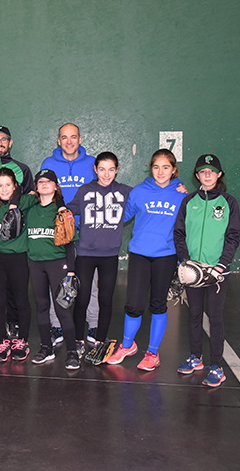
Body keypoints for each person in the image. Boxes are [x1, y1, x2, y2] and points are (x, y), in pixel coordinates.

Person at [107, 149, 187, 370]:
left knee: (158, 304)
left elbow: (188, 225)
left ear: (174, 170)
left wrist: (184, 259)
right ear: (150, 168)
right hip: (140, 254)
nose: (160, 172)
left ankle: (152, 352)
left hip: (166, 256)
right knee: (133, 304)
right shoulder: (139, 191)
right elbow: (121, 216)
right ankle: (127, 345)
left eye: (166, 167)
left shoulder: (182, 195)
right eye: (156, 167)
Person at [173, 154, 240, 387]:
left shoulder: (229, 202)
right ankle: (195, 358)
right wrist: (185, 262)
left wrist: (221, 265)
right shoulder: (189, 201)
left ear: (219, 174)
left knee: (215, 316)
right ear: (197, 175)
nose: (207, 175)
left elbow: (233, 236)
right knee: (194, 314)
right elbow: (179, 233)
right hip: (193, 270)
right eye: (203, 171)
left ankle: (217, 366)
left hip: (217, 271)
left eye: (212, 171)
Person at [65, 152, 133, 356]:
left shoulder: (125, 191)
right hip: (85, 254)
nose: (106, 174)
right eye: (102, 169)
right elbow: (68, 209)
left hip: (109, 255)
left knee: (105, 299)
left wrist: (177, 185)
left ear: (117, 170)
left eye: (111, 169)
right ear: (95, 169)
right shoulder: (85, 190)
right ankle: (78, 339)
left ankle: (100, 341)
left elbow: (149, 194)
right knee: (82, 298)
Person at [40, 123, 98, 346]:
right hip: (58, 234)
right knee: (55, 281)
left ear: (80, 139)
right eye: (64, 137)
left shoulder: (92, 163)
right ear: (58, 141)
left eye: (73, 137)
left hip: (86, 232)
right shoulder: (49, 163)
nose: (69, 141)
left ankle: (93, 324)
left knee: (90, 282)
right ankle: (56, 326)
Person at [0, 125, 33, 340]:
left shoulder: (22, 169)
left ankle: (13, 323)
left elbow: (32, 194)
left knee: (14, 290)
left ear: (10, 143)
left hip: (15, 245)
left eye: (3, 139)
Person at [26, 169, 80, 369]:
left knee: (61, 308)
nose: (44, 184)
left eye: (48, 181)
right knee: (41, 306)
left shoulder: (63, 212)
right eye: (40, 181)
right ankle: (46, 347)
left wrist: (71, 271)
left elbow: (70, 244)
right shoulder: (30, 210)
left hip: (57, 263)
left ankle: (72, 351)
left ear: (56, 186)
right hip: (36, 263)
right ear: (36, 187)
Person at [0, 167, 36, 363]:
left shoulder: (24, 202)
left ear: (15, 186)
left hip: (18, 258)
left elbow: (41, 194)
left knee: (21, 299)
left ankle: (22, 341)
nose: (4, 189)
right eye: (0, 185)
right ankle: (3, 341)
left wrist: (16, 200)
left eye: (8, 185)